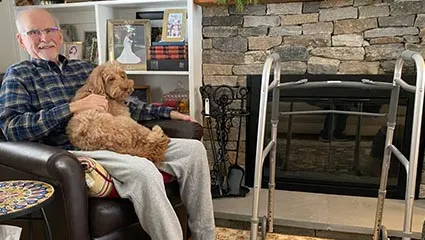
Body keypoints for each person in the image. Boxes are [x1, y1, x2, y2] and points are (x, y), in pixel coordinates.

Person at [0, 8, 215, 240]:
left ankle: (205, 235)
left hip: (113, 136)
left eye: (49, 30)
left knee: (193, 150)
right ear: (21, 40)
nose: (44, 38)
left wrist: (170, 113)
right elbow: (12, 127)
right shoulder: (19, 75)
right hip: (71, 152)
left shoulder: (85, 68)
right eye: (33, 32)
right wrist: (71, 108)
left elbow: (124, 102)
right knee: (143, 170)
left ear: (60, 36)